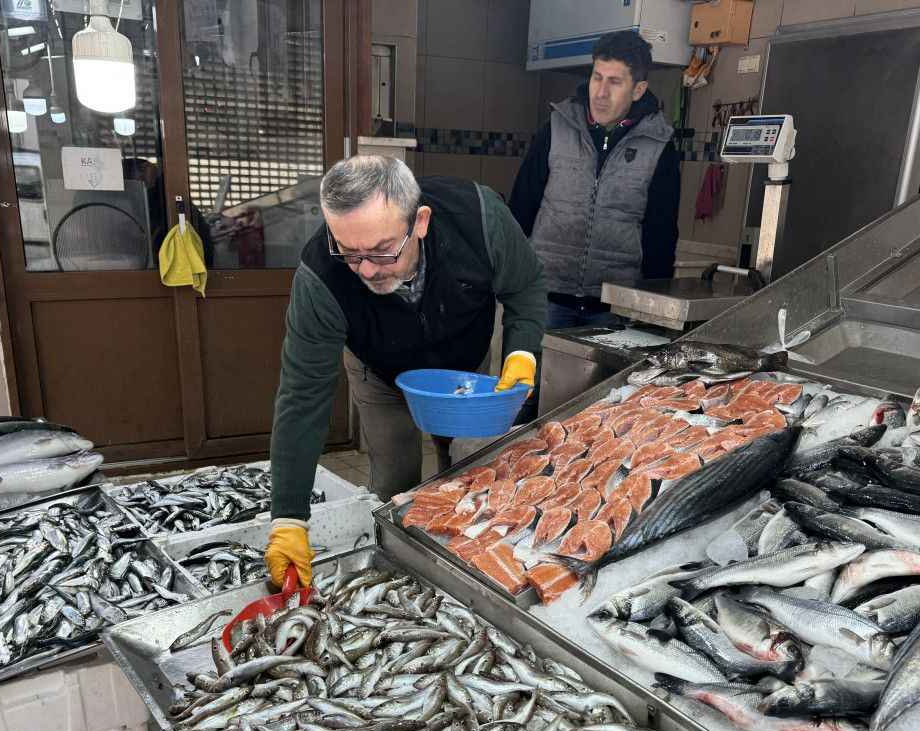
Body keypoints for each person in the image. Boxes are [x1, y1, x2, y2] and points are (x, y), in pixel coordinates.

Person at [264, 156, 546, 587]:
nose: (367, 270)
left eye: (381, 250)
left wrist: (522, 351)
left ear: (421, 221)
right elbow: (303, 396)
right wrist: (288, 516)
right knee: (394, 483)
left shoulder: (479, 218)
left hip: (463, 372)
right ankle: (401, 582)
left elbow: (525, 287)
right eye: (349, 254)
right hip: (380, 373)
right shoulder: (320, 276)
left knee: (473, 474)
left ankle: (466, 581)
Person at [510, 30, 681, 330]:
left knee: (606, 380)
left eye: (614, 82)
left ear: (638, 89)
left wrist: (652, 312)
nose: (600, 93)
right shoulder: (557, 127)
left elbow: (661, 233)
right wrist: (510, 281)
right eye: (597, 77)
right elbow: (522, 206)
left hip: (615, 308)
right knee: (533, 377)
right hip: (545, 298)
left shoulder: (659, 144)